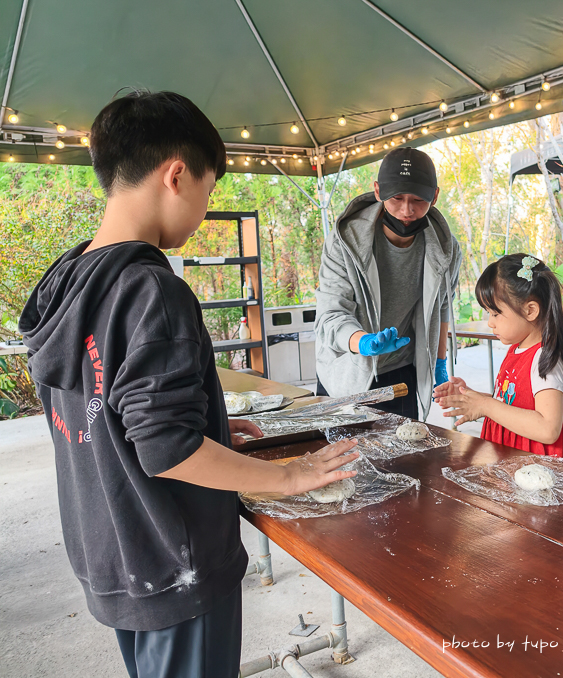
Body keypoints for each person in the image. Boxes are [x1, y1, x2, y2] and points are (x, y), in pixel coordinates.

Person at [18, 91, 360, 678]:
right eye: (209, 188)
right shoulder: (152, 290)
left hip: (111, 552)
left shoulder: (68, 282)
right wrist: (289, 477)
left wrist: (214, 428)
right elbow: (166, 449)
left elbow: (104, 416)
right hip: (173, 561)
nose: (205, 209)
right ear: (176, 174)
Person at [316, 147, 461, 420]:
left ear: (435, 195)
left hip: (400, 370)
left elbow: (443, 307)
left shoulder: (445, 249)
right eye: (396, 198)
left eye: (419, 199)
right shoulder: (344, 242)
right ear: (378, 191)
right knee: (340, 458)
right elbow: (330, 315)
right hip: (347, 367)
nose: (407, 210)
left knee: (404, 457)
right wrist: (364, 342)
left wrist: (440, 363)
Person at [434, 254, 563, 462]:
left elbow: (548, 428)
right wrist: (473, 397)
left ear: (530, 310)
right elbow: (511, 402)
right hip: (514, 458)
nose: (490, 323)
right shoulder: (517, 348)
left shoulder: (545, 357)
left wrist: (486, 406)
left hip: (539, 464)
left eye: (495, 314)